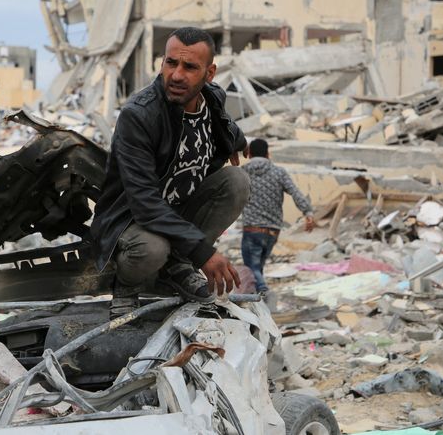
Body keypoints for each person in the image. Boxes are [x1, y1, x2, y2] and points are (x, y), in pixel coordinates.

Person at [91, 27, 250, 318]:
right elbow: (145, 205)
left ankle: (176, 266)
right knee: (153, 248)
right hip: (132, 220)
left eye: (190, 67)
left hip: (176, 210)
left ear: (209, 73)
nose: (177, 75)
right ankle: (126, 286)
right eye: (170, 63)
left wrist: (236, 142)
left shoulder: (212, 98)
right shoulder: (139, 115)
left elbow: (224, 121)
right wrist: (203, 253)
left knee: (237, 181)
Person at [241, 138, 314, 296]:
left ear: (249, 154)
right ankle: (258, 301)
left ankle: (263, 291)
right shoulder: (279, 172)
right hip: (273, 231)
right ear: (268, 154)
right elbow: (295, 192)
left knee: (251, 267)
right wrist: (307, 212)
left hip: (252, 228)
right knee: (258, 267)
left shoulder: (243, 172)